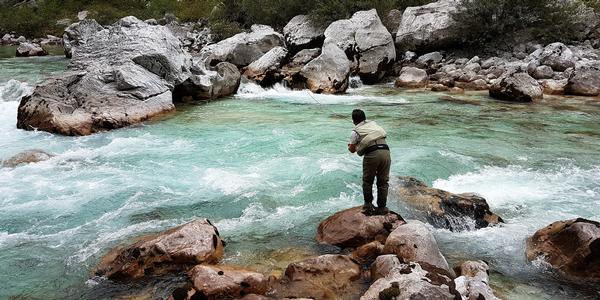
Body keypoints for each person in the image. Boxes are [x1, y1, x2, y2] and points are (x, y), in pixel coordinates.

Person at [348, 109, 391, 215]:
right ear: (365, 118)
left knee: (368, 181)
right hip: (386, 152)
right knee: (383, 182)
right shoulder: (374, 125)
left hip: (372, 154)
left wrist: (350, 146)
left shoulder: (355, 132)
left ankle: (368, 206)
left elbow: (352, 150)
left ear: (353, 120)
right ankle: (382, 208)